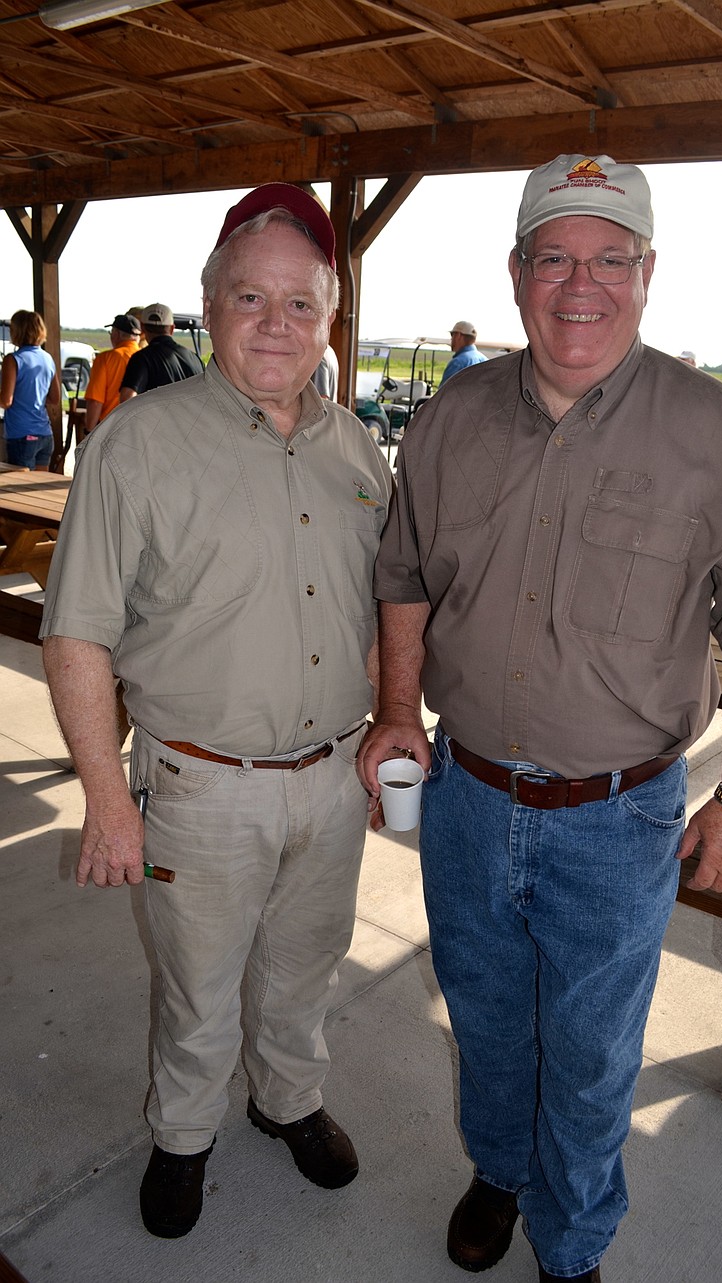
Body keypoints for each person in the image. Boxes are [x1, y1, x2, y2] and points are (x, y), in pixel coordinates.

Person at [358, 154, 722, 1282]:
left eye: (611, 258)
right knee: (487, 1014)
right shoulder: (452, 416)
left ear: (647, 272)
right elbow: (405, 575)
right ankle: (499, 1168)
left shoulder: (713, 430)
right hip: (464, 795)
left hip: (619, 818)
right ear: (516, 272)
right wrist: (395, 712)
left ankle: (572, 1241)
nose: (581, 284)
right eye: (554, 255)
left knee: (596, 1049)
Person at [41, 182, 392, 1241]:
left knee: (305, 965)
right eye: (251, 298)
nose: (276, 322)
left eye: (299, 302)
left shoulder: (359, 450)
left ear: (328, 316)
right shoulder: (135, 446)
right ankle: (183, 1134)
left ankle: (286, 1099)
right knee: (196, 989)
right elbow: (77, 634)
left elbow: (384, 610)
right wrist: (107, 798)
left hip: (332, 779)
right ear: (210, 304)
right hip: (200, 786)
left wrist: (390, 731)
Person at [0, 310, 61, 470]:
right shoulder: (48, 358)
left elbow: (5, 401)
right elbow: (55, 399)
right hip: (45, 434)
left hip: (22, 434)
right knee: (37, 490)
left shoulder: (13, 359)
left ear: (17, 331)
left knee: (18, 490)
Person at [119, 302, 203, 400]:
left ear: (142, 328)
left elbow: (127, 397)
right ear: (172, 328)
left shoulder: (141, 358)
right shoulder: (194, 358)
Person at [84, 313, 142, 431]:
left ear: (116, 334)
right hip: (139, 429)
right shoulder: (146, 357)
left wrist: (88, 432)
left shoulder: (106, 358)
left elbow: (95, 401)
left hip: (110, 428)